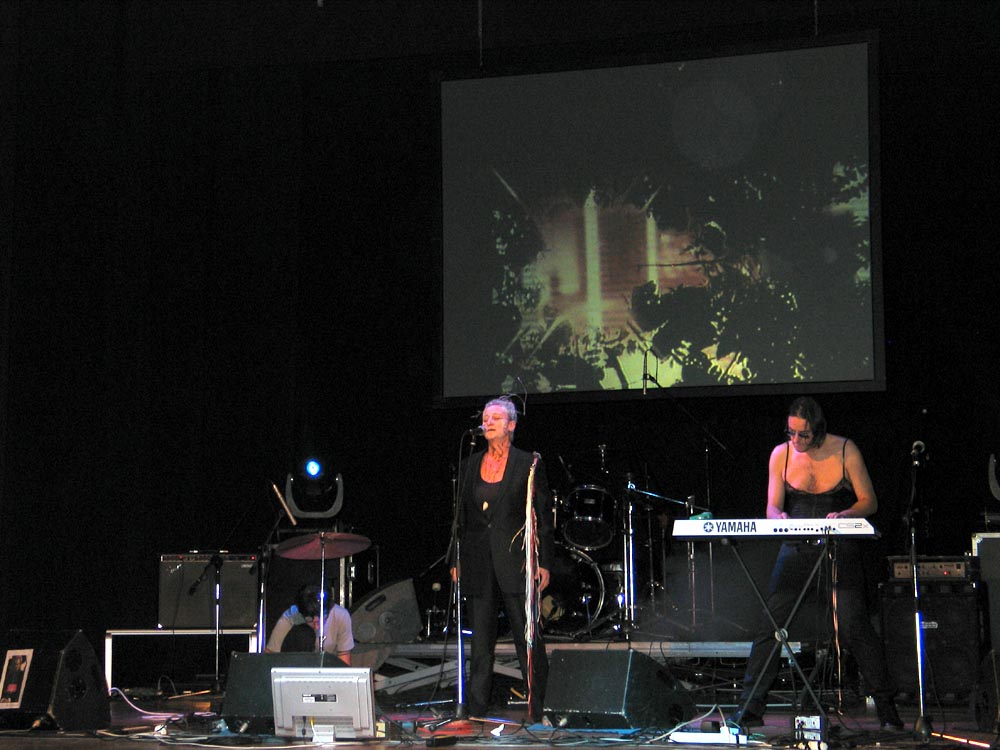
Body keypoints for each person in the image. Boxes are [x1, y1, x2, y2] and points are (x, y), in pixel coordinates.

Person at [734, 397, 901, 730]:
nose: (796, 440)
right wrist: (778, 517)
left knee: (854, 626)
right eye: (791, 433)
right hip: (795, 545)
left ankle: (887, 710)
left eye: (804, 435)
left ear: (818, 430)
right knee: (770, 625)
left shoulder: (845, 449)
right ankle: (749, 709)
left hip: (838, 545)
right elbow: (772, 506)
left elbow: (869, 501)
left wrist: (846, 514)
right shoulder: (780, 454)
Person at [450, 397, 555, 722]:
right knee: (481, 643)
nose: (488, 422)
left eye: (495, 417)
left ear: (511, 424)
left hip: (517, 562)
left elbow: (543, 516)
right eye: (485, 417)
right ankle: (476, 710)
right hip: (478, 561)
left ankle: (540, 709)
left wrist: (544, 561)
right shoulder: (470, 464)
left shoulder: (528, 463)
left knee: (527, 638)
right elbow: (460, 518)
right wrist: (456, 559)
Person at [265, 583, 354, 665]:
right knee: (304, 634)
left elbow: (344, 662)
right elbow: (270, 656)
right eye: (310, 621)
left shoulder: (341, 616)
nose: (316, 627)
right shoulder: (291, 615)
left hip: (329, 669)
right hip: (296, 666)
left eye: (320, 621)